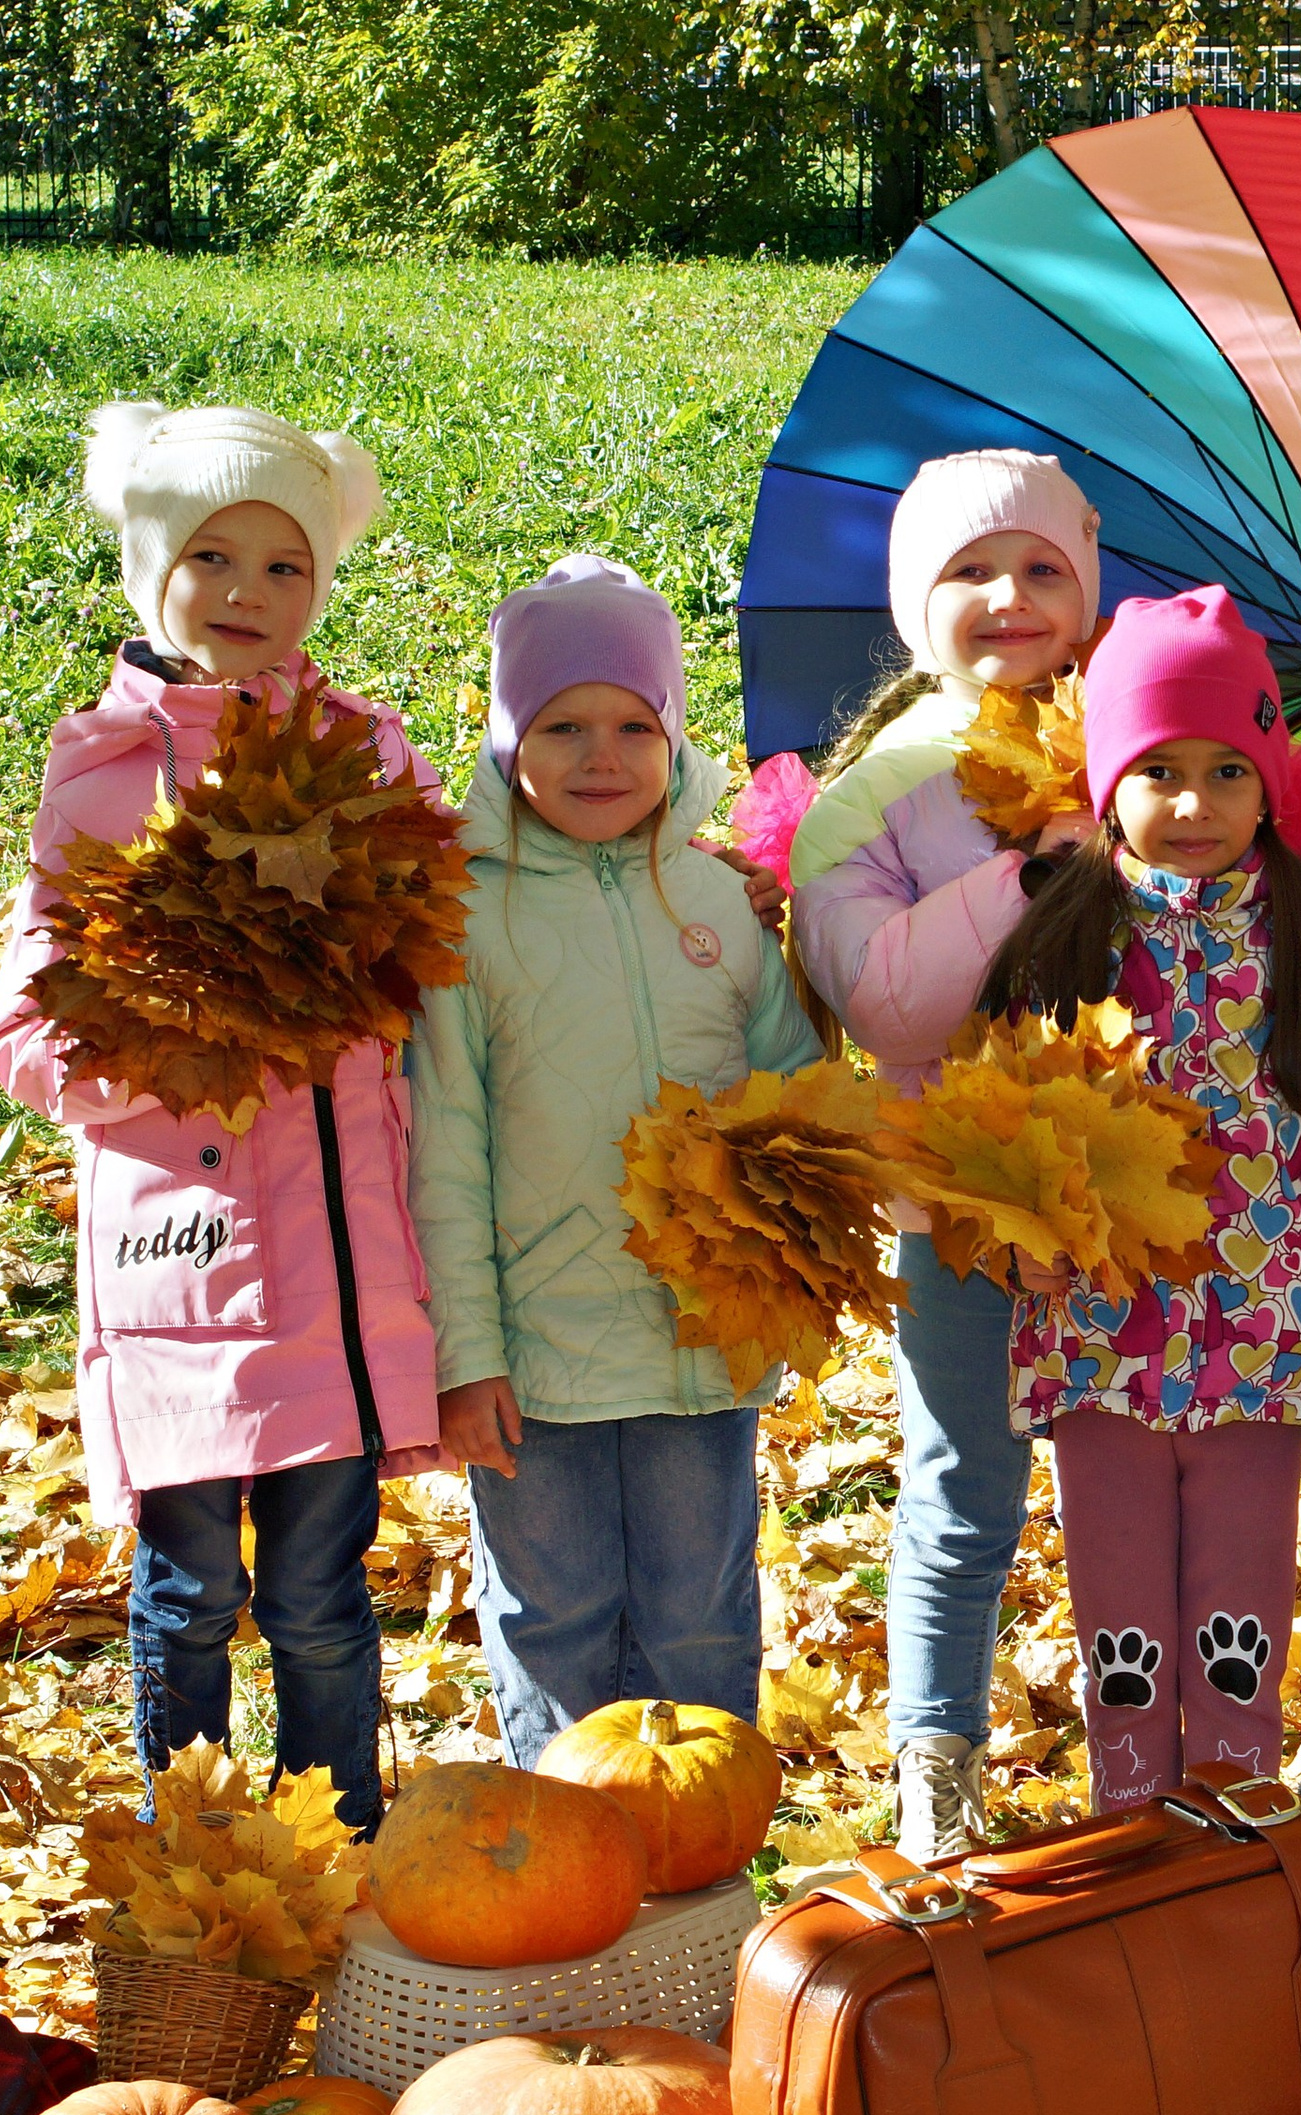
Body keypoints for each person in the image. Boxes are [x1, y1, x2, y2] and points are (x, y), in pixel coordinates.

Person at [0, 402, 444, 1832]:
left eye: (285, 567)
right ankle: (189, 1873)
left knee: (320, 1596)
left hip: (331, 1260)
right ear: (149, 570)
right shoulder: (102, 774)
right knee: (189, 1594)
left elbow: (433, 971)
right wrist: (185, 1046)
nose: (248, 596)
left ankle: (342, 1851)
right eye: (211, 559)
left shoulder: (369, 756)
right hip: (177, 1262)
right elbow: (32, 1025)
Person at [979, 586, 1301, 1811]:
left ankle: (1231, 1845)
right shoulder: (1061, 941)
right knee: (1120, 1638)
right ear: (1109, 778)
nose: (1191, 805)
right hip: (1099, 1351)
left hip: (1261, 1355)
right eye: (1159, 769)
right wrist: (1017, 1241)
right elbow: (993, 1137)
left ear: (1268, 780)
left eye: (1227, 770)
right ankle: (1133, 1839)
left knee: (1238, 1631)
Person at [408, 556, 820, 1767]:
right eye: (562, 724)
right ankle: (570, 1864)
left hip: (700, 1339)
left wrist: (785, 1283)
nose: (602, 754)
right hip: (537, 1355)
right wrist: (466, 1356)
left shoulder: (721, 903)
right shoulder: (469, 918)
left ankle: (696, 1894)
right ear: (505, 736)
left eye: (635, 725)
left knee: (702, 1619)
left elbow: (795, 1108)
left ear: (673, 731)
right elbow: (447, 1152)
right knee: (555, 1619)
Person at [789, 451, 1102, 1858]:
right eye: (971, 573)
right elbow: (886, 997)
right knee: (965, 1484)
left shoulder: (1140, 742)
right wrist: (1032, 871)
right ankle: (938, 1759)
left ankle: (1150, 1752)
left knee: (1125, 1475)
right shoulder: (883, 789)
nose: (1010, 597)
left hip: (1123, 1200)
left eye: (1043, 569)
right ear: (922, 605)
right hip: (955, 1204)